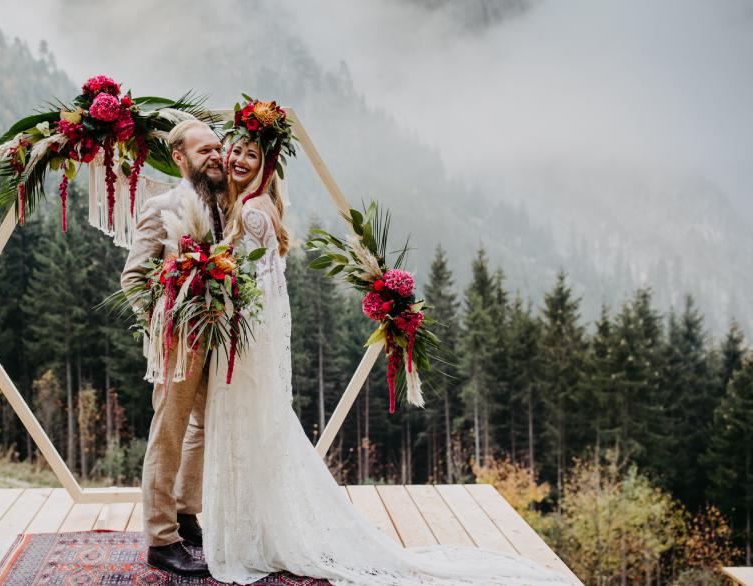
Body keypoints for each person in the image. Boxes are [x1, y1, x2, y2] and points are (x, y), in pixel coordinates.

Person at [198, 136, 576, 585]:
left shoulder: (255, 212)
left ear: (267, 166)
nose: (239, 160)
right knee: (256, 435)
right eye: (235, 151)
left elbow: (265, 294)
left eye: (251, 155)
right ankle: (257, 532)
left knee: (250, 433)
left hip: (244, 342)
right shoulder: (252, 206)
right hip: (244, 340)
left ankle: (256, 539)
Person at [120, 116, 225, 578]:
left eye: (217, 148)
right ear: (180, 158)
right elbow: (133, 278)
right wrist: (167, 323)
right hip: (178, 341)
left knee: (203, 427)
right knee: (168, 432)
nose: (216, 156)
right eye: (204, 150)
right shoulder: (161, 206)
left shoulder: (227, 205)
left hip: (219, 339)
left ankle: (186, 512)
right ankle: (161, 540)